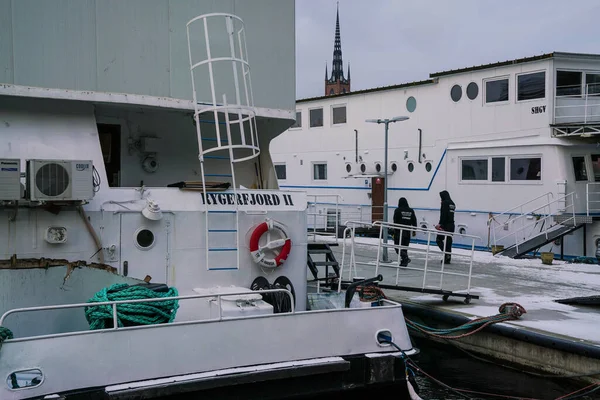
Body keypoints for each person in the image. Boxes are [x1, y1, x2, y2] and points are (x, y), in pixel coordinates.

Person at [393, 197, 417, 267]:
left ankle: (405, 258)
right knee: (404, 247)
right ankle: (404, 262)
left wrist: (394, 230)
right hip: (407, 231)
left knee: (397, 247)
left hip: (399, 231)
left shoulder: (397, 210)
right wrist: (414, 230)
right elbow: (414, 220)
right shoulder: (411, 210)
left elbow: (395, 221)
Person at [435, 190, 455, 264]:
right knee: (448, 241)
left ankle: (446, 254)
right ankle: (448, 257)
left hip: (445, 225)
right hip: (452, 225)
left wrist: (440, 224)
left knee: (439, 239)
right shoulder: (452, 203)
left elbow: (443, 215)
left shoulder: (445, 203)